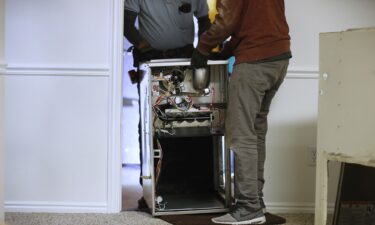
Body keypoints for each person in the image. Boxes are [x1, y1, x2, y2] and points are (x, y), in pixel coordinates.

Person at [191, 0, 292, 224]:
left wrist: (202, 48)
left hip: (254, 62)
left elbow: (227, 22)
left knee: (241, 133)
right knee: (255, 131)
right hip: (279, 58)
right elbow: (251, 22)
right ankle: (256, 201)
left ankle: (248, 207)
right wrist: (225, 52)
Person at [123, 0, 210, 209]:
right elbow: (126, 23)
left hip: (186, 58)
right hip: (151, 60)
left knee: (187, 119)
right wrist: (143, 45)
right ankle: (152, 189)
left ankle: (189, 186)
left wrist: (203, 49)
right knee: (150, 123)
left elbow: (205, 20)